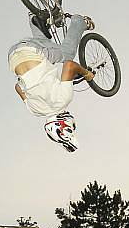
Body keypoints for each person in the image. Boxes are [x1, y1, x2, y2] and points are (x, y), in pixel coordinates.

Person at [8, 13, 95, 152]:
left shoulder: (63, 100)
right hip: (13, 57)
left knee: (67, 54)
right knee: (49, 49)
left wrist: (87, 74)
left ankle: (80, 22)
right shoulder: (35, 110)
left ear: (65, 124)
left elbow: (69, 66)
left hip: (33, 51)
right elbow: (18, 87)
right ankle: (35, 20)